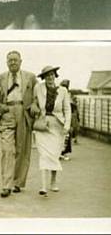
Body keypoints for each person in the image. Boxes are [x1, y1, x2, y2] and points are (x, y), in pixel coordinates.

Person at [0, 51, 37, 197]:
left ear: (21, 61)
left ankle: (18, 183)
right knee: (7, 149)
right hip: (7, 110)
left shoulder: (30, 77)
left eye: (15, 60)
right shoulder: (0, 77)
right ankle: (6, 185)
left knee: (22, 149)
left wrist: (34, 105)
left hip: (23, 110)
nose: (13, 63)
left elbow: (37, 95)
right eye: (10, 60)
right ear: (6, 62)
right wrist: (1, 107)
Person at [32, 66, 71, 195]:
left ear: (55, 76)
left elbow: (67, 110)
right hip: (42, 124)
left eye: (52, 75)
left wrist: (66, 126)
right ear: (44, 77)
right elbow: (34, 101)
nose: (50, 77)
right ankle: (43, 185)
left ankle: (53, 182)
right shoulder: (38, 88)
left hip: (57, 126)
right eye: (47, 75)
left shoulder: (63, 91)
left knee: (53, 154)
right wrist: (34, 107)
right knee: (44, 154)